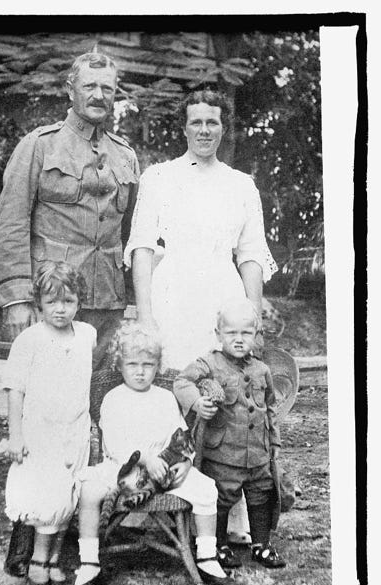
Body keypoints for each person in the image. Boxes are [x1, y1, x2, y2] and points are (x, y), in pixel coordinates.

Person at [124, 88, 278, 544]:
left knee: (227, 394)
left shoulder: (240, 184)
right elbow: (142, 247)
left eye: (213, 122)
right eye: (196, 122)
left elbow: (250, 253)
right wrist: (147, 314)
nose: (205, 130)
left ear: (223, 128)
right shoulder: (159, 177)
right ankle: (165, 503)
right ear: (184, 126)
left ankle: (227, 516)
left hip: (221, 295)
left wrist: (250, 315)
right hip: (173, 295)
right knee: (177, 392)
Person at [0, 51, 139, 369]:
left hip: (107, 305)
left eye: (107, 89)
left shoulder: (126, 155)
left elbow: (130, 234)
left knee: (96, 400)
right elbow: (9, 222)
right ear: (71, 90)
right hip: (52, 299)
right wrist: (16, 299)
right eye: (89, 86)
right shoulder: (39, 145)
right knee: (46, 400)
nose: (98, 95)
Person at [74, 321, 238, 585]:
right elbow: (115, 444)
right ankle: (89, 562)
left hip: (165, 467)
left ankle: (207, 556)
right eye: (132, 365)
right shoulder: (114, 398)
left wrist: (185, 462)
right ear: (120, 364)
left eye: (147, 365)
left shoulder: (164, 397)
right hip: (122, 468)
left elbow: (181, 435)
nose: (140, 372)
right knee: (89, 490)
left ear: (157, 366)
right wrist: (145, 460)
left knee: (206, 488)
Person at [0, 262, 96, 585]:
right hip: (42, 433)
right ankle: (38, 559)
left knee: (68, 497)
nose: (60, 309)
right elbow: (16, 389)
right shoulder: (30, 339)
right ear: (39, 302)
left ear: (78, 302)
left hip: (75, 431)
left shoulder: (86, 335)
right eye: (52, 302)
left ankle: (54, 558)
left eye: (68, 301)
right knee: (48, 497)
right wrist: (16, 434)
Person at [173, 299, 286, 571]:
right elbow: (181, 381)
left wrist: (275, 441)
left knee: (261, 494)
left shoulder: (262, 370)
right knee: (221, 497)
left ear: (256, 336)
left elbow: (270, 408)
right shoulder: (209, 363)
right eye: (231, 333)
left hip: (258, 453)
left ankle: (261, 545)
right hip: (222, 453)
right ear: (218, 334)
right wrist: (197, 402)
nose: (238, 339)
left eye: (246, 333)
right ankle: (219, 545)